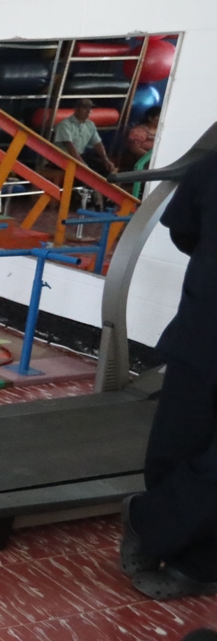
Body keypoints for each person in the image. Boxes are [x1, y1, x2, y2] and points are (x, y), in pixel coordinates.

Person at [120, 146, 217, 600]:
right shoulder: (211, 171)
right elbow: (184, 231)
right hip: (205, 333)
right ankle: (163, 532)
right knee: (176, 445)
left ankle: (192, 558)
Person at [54, 99, 116, 173]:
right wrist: (82, 165)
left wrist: (106, 160)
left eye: (90, 108)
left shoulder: (90, 124)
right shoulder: (64, 125)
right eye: (84, 108)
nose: (88, 111)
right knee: (86, 172)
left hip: (78, 157)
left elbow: (98, 144)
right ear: (76, 109)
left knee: (106, 167)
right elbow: (70, 147)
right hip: (62, 159)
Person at [124, 106, 162, 170]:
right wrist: (152, 158)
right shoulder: (138, 131)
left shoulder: (163, 130)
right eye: (158, 116)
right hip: (142, 160)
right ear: (150, 118)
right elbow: (135, 149)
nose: (161, 118)